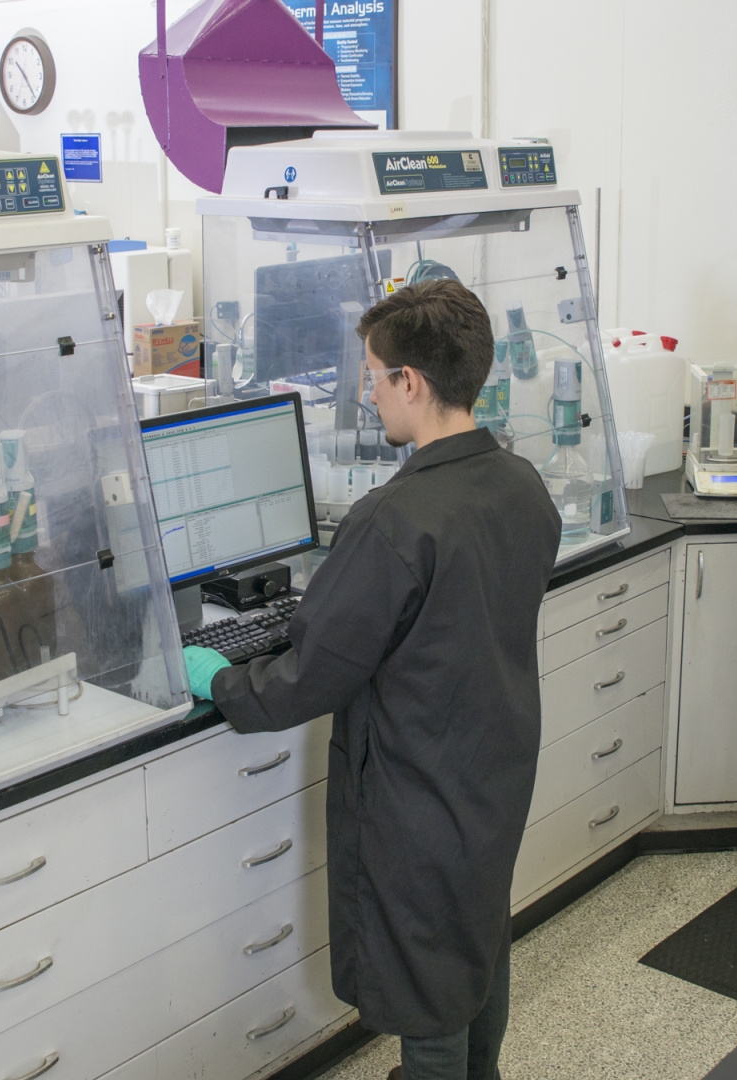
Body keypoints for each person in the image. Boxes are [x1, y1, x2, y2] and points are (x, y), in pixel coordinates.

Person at [182, 279, 559, 1080]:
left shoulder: (395, 520)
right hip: (493, 771)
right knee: (475, 940)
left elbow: (308, 675)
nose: (368, 390)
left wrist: (221, 681)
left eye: (374, 374)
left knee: (426, 978)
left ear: (411, 383)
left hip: (418, 788)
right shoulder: (520, 485)